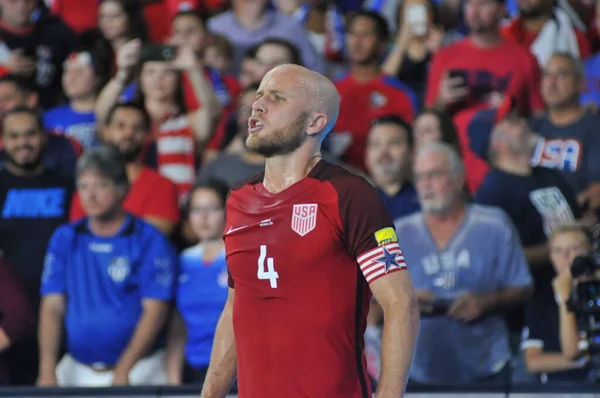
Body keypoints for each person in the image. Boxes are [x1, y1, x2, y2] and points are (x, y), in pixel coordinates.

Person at [199, 64, 419, 398]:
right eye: (258, 97)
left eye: (277, 98)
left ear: (315, 122)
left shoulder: (349, 194)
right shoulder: (238, 199)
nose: (258, 106)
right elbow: (234, 308)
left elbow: (400, 303)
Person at [37, 146, 177, 387]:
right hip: (76, 367)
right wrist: (47, 370)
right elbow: (52, 305)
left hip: (140, 369)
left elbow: (156, 310)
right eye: (84, 186)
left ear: (123, 189)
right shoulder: (65, 237)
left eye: (101, 185)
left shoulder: (148, 239)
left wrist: (124, 369)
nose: (90, 195)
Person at [395, 142, 533, 383]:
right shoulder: (399, 233)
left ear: (459, 179)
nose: (426, 185)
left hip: (487, 368)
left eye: (435, 175)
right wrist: (406, 301)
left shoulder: (494, 225)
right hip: (417, 372)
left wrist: (486, 302)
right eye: (419, 177)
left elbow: (523, 287)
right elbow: (372, 309)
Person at [69, 102, 180, 236]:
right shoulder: (88, 185)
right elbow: (79, 234)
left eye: (137, 128)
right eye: (121, 126)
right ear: (106, 132)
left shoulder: (162, 185)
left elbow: (152, 239)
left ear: (147, 135)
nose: (128, 133)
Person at [167, 179, 230, 385]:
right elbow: (177, 324)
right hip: (192, 369)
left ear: (227, 211)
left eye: (212, 208)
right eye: (196, 209)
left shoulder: (239, 258)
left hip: (236, 369)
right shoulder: (182, 260)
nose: (203, 217)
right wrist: (173, 376)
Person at [521, 223, 591, 383]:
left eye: (574, 249)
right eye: (558, 251)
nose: (565, 256)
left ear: (589, 251)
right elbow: (534, 362)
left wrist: (566, 296)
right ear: (551, 257)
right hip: (556, 389)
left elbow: (571, 350)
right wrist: (581, 361)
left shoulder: (595, 294)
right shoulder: (540, 299)